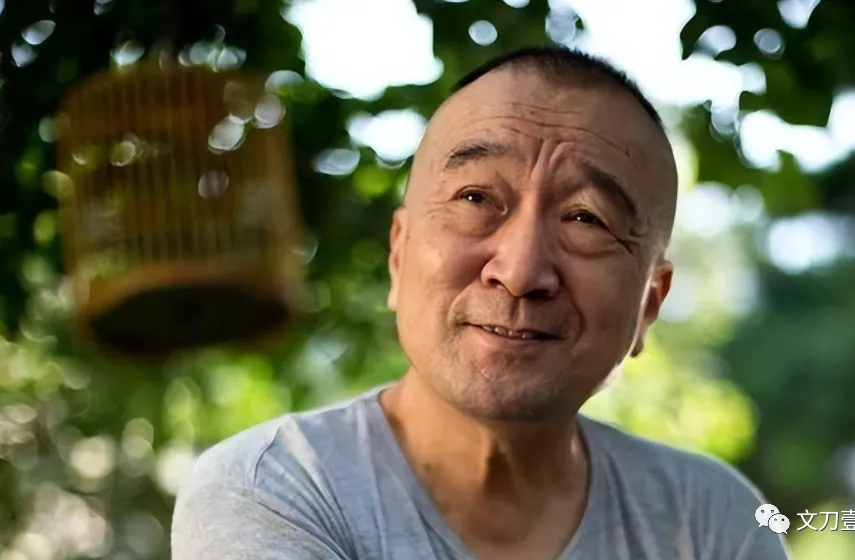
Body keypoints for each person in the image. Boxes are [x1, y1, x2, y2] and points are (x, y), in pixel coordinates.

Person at [171, 46, 789, 559]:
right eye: (475, 198)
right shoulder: (274, 490)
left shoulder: (713, 523)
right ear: (399, 254)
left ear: (649, 305)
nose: (520, 272)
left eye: (586, 218)